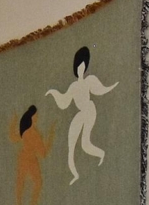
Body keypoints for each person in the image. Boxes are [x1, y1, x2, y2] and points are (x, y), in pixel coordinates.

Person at [46, 46, 116, 184]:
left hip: (89, 110)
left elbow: (101, 89)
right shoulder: (73, 87)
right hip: (80, 114)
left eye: (83, 66)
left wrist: (112, 86)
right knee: (71, 145)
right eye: (79, 66)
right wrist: (53, 93)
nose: (81, 69)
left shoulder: (89, 81)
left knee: (85, 143)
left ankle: (101, 154)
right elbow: (64, 102)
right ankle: (75, 174)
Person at [8, 104, 57, 205]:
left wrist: (14, 121)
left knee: (22, 182)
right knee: (35, 183)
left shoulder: (25, 132)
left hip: (24, 158)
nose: (37, 118)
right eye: (36, 116)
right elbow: (44, 153)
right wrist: (51, 135)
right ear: (32, 117)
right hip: (30, 160)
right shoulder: (34, 133)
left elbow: (13, 137)